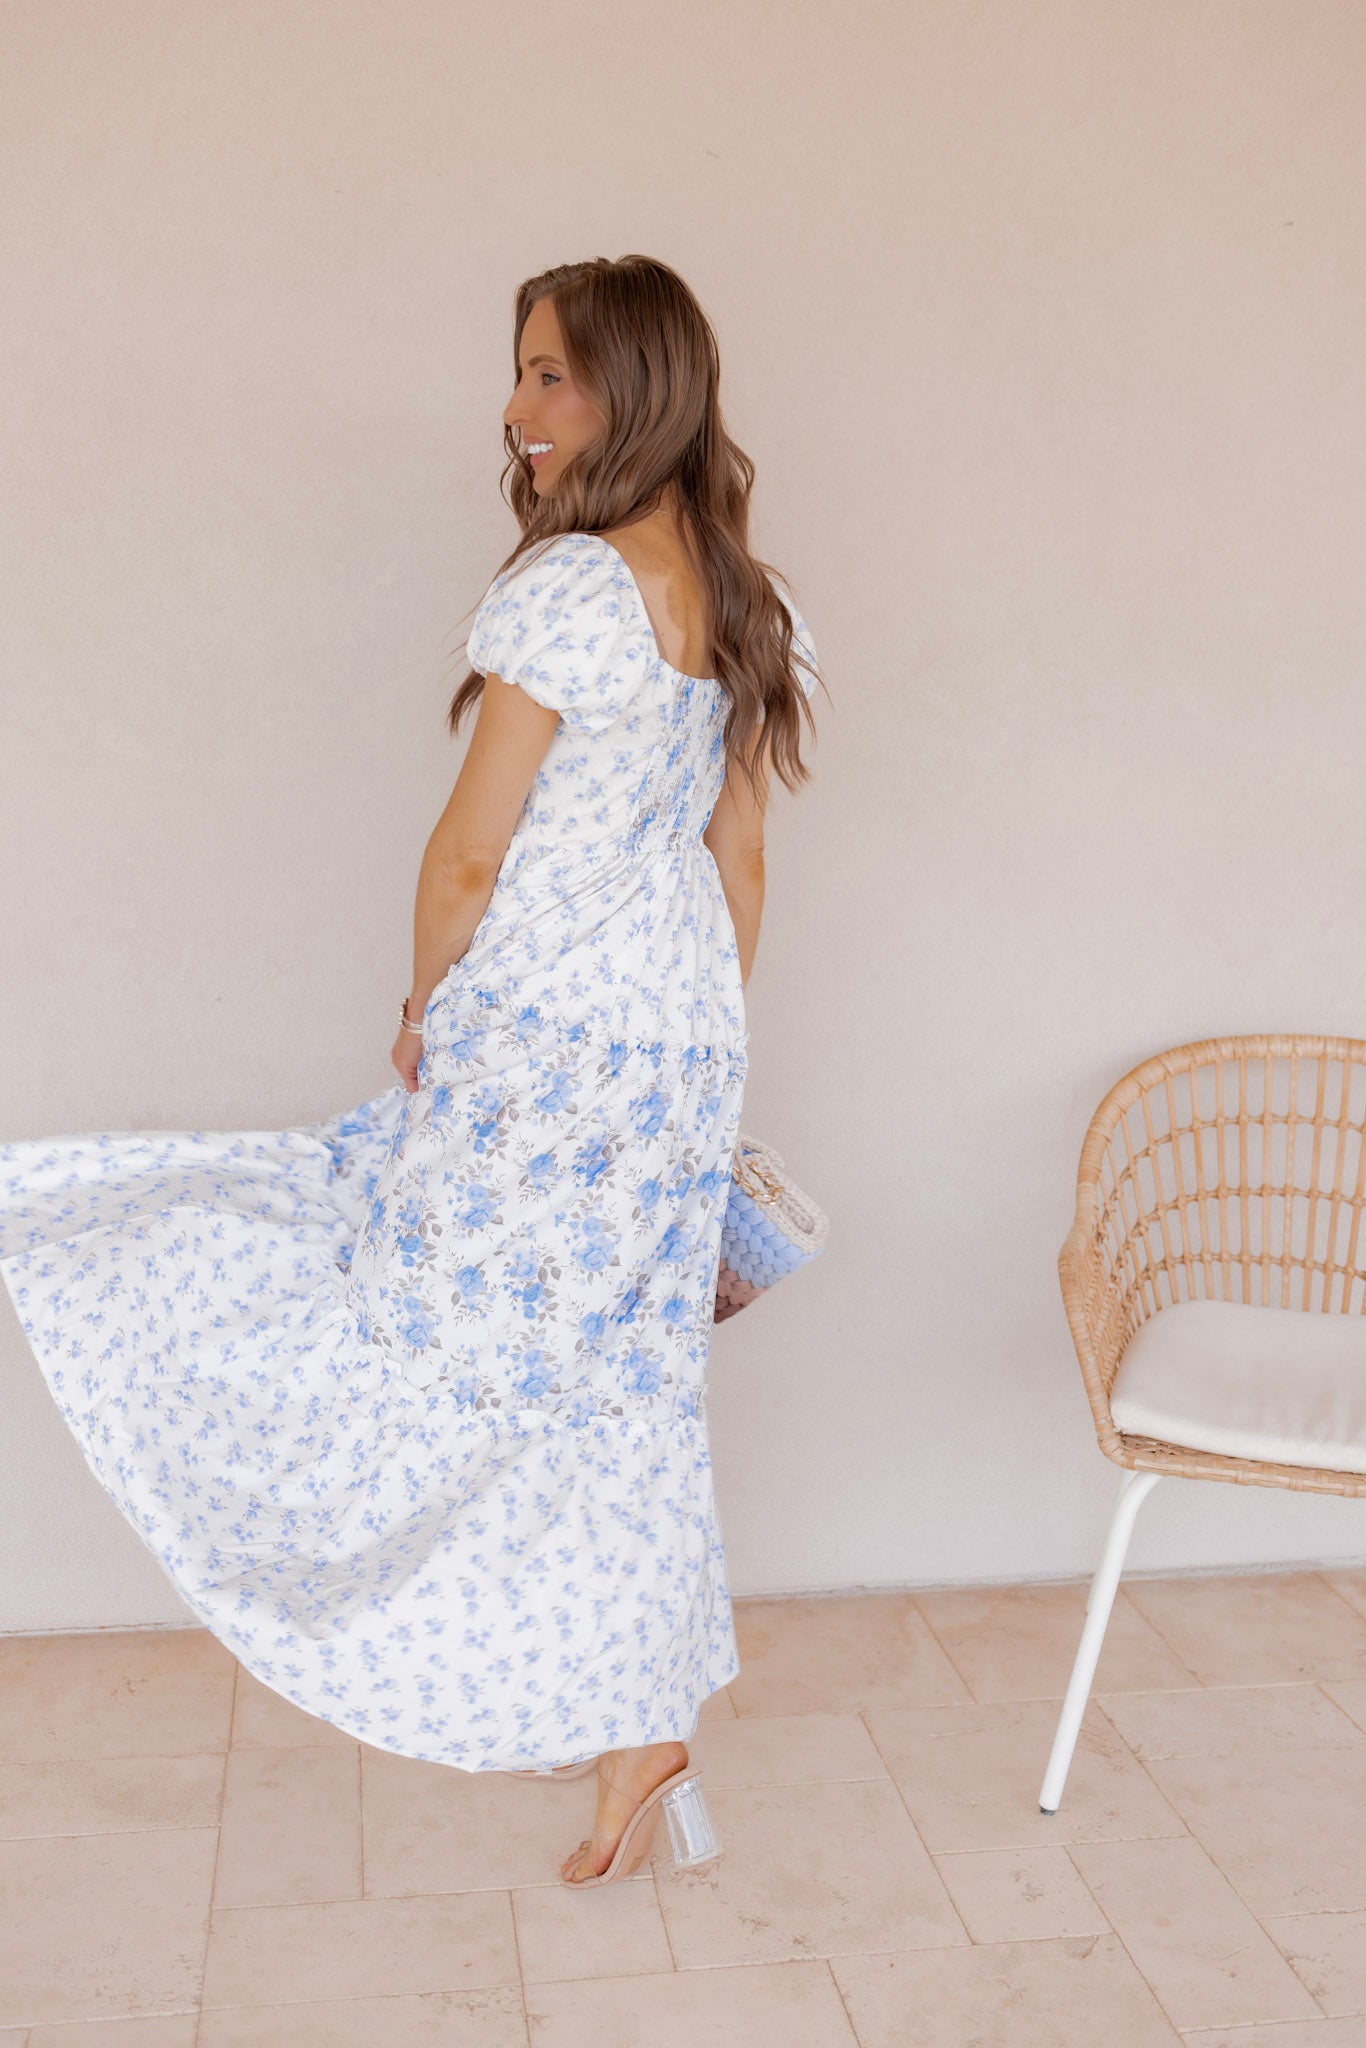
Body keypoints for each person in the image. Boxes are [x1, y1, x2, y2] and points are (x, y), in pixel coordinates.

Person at [0, 253, 821, 1889]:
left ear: (635, 386)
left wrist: (426, 1005)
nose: (517, 409)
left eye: (550, 374)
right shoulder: (745, 600)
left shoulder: (568, 590)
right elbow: (738, 861)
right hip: (671, 1051)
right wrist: (689, 1060)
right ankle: (634, 1731)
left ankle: (531, 1678)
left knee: (410, 1323)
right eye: (521, 372)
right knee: (619, 1389)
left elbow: (467, 852)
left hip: (538, 1040)